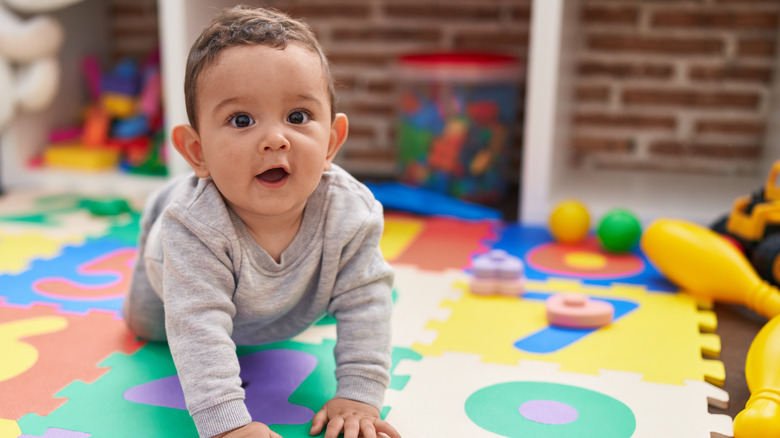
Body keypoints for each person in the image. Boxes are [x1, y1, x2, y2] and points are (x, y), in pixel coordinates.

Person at [122, 6, 399, 438]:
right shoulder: (193, 228)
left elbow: (368, 304)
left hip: (284, 298)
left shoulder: (352, 212)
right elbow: (197, 331)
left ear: (331, 142)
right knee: (147, 328)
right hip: (171, 272)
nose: (275, 138)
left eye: (298, 117)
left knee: (349, 292)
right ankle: (160, 203)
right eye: (242, 120)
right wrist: (228, 424)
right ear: (197, 152)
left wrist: (359, 396)